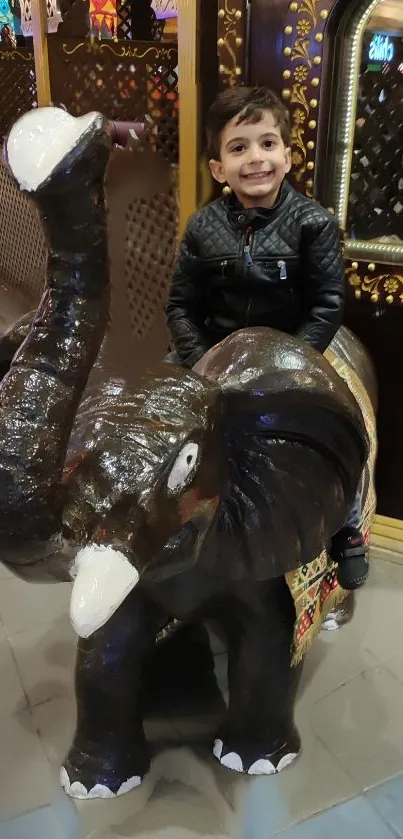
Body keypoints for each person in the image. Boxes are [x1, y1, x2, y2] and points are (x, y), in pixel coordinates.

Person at [165, 85, 368, 592]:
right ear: (218, 168)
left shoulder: (313, 223)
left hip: (297, 349)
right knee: (159, 415)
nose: (255, 158)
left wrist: (290, 363)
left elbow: (327, 304)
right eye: (239, 148)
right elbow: (181, 306)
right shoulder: (201, 227)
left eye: (267, 143)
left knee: (349, 422)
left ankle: (347, 523)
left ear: (288, 155)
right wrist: (201, 359)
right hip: (215, 351)